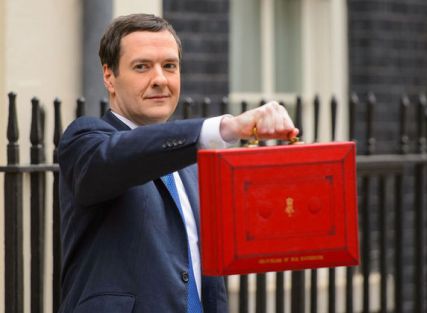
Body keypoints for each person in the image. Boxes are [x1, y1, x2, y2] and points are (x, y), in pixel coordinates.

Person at [58, 13, 299, 313]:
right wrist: (226, 128)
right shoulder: (85, 141)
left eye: (169, 66)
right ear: (109, 76)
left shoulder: (193, 161)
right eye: (142, 66)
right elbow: (123, 156)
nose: (159, 79)